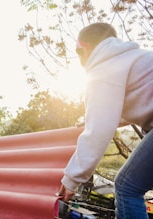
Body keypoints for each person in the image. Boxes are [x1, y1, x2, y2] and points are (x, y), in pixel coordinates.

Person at [57, 22, 153, 218]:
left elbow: (98, 132)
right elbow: (141, 103)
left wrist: (71, 179)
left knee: (127, 186)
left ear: (83, 48)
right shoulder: (134, 58)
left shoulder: (102, 68)